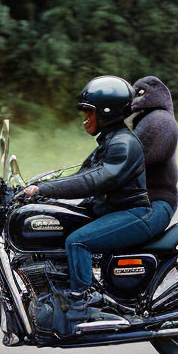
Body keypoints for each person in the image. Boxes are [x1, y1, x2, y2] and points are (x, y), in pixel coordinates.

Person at [18, 76, 155, 328]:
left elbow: (95, 180)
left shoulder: (124, 144)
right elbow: (81, 175)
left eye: (89, 111)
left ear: (107, 112)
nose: (85, 117)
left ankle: (83, 304)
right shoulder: (108, 141)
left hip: (132, 214)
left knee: (77, 241)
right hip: (113, 210)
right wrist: (34, 188)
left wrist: (44, 190)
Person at [130, 76, 178, 237]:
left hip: (154, 203)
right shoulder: (149, 119)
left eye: (140, 93)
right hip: (147, 202)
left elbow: (128, 165)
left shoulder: (159, 121)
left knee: (79, 240)